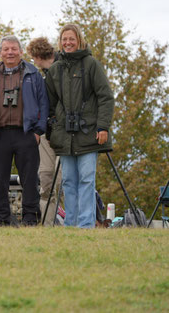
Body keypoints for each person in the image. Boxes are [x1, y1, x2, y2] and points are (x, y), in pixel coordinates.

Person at [45, 24, 114, 228]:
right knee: (68, 182)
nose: (68, 42)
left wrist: (103, 127)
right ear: (60, 42)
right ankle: (71, 224)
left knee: (86, 180)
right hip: (64, 135)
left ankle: (85, 225)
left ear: (79, 40)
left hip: (89, 133)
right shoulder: (55, 69)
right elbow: (48, 103)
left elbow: (106, 97)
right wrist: (52, 128)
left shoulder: (91, 64)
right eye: (64, 39)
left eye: (71, 39)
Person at [0, 35, 48, 226]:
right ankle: (1, 219)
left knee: (30, 180)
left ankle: (30, 219)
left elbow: (43, 103)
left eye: (13, 49)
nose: (10, 52)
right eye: (6, 49)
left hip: (26, 133)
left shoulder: (33, 75)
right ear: (0, 52)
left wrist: (38, 131)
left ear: (21, 51)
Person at [26, 37, 62, 225]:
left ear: (37, 56)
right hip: (46, 134)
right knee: (47, 180)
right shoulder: (41, 77)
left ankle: (74, 223)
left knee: (63, 182)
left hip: (64, 134)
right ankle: (47, 225)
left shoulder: (63, 68)